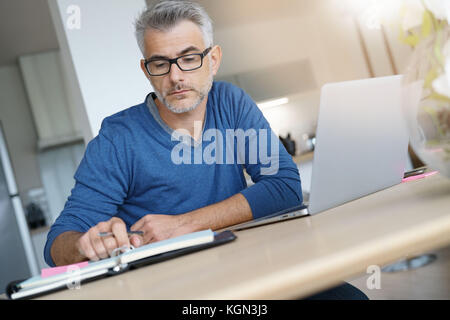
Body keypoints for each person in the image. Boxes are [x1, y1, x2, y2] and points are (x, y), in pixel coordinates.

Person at [44, 0, 303, 268]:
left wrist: (184, 224)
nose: (175, 76)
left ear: (212, 60)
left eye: (189, 59)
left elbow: (285, 187)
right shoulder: (118, 138)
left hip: (245, 265)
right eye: (160, 64)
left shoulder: (230, 103)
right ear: (147, 71)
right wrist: (83, 245)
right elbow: (57, 246)